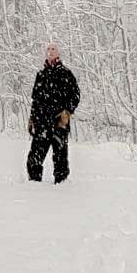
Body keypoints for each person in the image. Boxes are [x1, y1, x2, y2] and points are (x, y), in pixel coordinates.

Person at [26, 43, 81, 184]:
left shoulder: (66, 74)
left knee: (60, 158)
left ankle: (61, 185)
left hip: (59, 122)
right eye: (48, 49)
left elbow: (75, 96)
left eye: (53, 49)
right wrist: (32, 119)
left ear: (58, 53)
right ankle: (33, 185)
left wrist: (67, 112)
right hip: (42, 123)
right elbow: (35, 100)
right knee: (34, 158)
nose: (50, 52)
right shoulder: (41, 75)